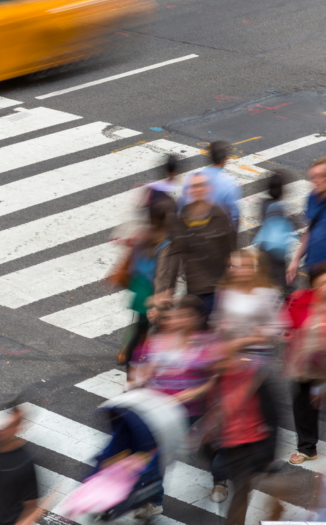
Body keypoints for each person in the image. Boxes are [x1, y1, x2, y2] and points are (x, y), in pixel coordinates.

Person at [130, 296, 219, 518]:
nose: (181, 320)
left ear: (198, 318)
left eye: (186, 316)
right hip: (156, 407)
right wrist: (139, 380)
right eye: (179, 315)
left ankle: (220, 478)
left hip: (188, 412)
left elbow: (215, 378)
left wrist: (191, 393)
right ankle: (152, 500)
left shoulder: (206, 343)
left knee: (158, 454)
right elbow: (146, 365)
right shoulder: (161, 338)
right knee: (152, 454)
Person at [208, 348, 279, 525]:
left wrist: (269, 454)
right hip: (226, 444)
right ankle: (220, 480)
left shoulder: (256, 379)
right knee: (225, 474)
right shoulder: (214, 382)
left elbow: (272, 417)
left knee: (240, 494)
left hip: (251, 445)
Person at [116, 199, 177, 383]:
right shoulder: (165, 243)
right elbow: (163, 275)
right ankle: (134, 367)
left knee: (140, 325)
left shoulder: (144, 234)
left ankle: (129, 358)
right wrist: (161, 298)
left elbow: (133, 260)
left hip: (138, 286)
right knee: (151, 329)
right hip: (152, 292)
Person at [170, 172, 237, 324]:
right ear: (188, 190)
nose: (197, 189)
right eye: (194, 186)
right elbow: (175, 252)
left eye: (201, 185)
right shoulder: (182, 217)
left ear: (209, 188)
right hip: (193, 288)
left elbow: (231, 251)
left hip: (216, 288)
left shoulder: (220, 215)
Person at [282, 262, 326, 465]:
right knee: (303, 407)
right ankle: (307, 448)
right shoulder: (300, 299)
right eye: (321, 284)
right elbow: (286, 322)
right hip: (306, 368)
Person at [210, 249, 283, 362]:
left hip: (257, 353)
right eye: (231, 266)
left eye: (243, 266)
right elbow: (216, 319)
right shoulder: (223, 291)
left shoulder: (268, 293)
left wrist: (245, 340)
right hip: (228, 352)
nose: (235, 270)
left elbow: (278, 326)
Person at [180, 140, 241, 230]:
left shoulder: (194, 177)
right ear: (224, 160)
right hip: (218, 231)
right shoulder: (230, 183)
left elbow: (183, 202)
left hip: (193, 227)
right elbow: (234, 214)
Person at [288, 157, 326, 284]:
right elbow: (311, 228)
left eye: (319, 176)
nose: (314, 181)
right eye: (312, 177)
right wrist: (296, 259)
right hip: (313, 266)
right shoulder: (312, 197)